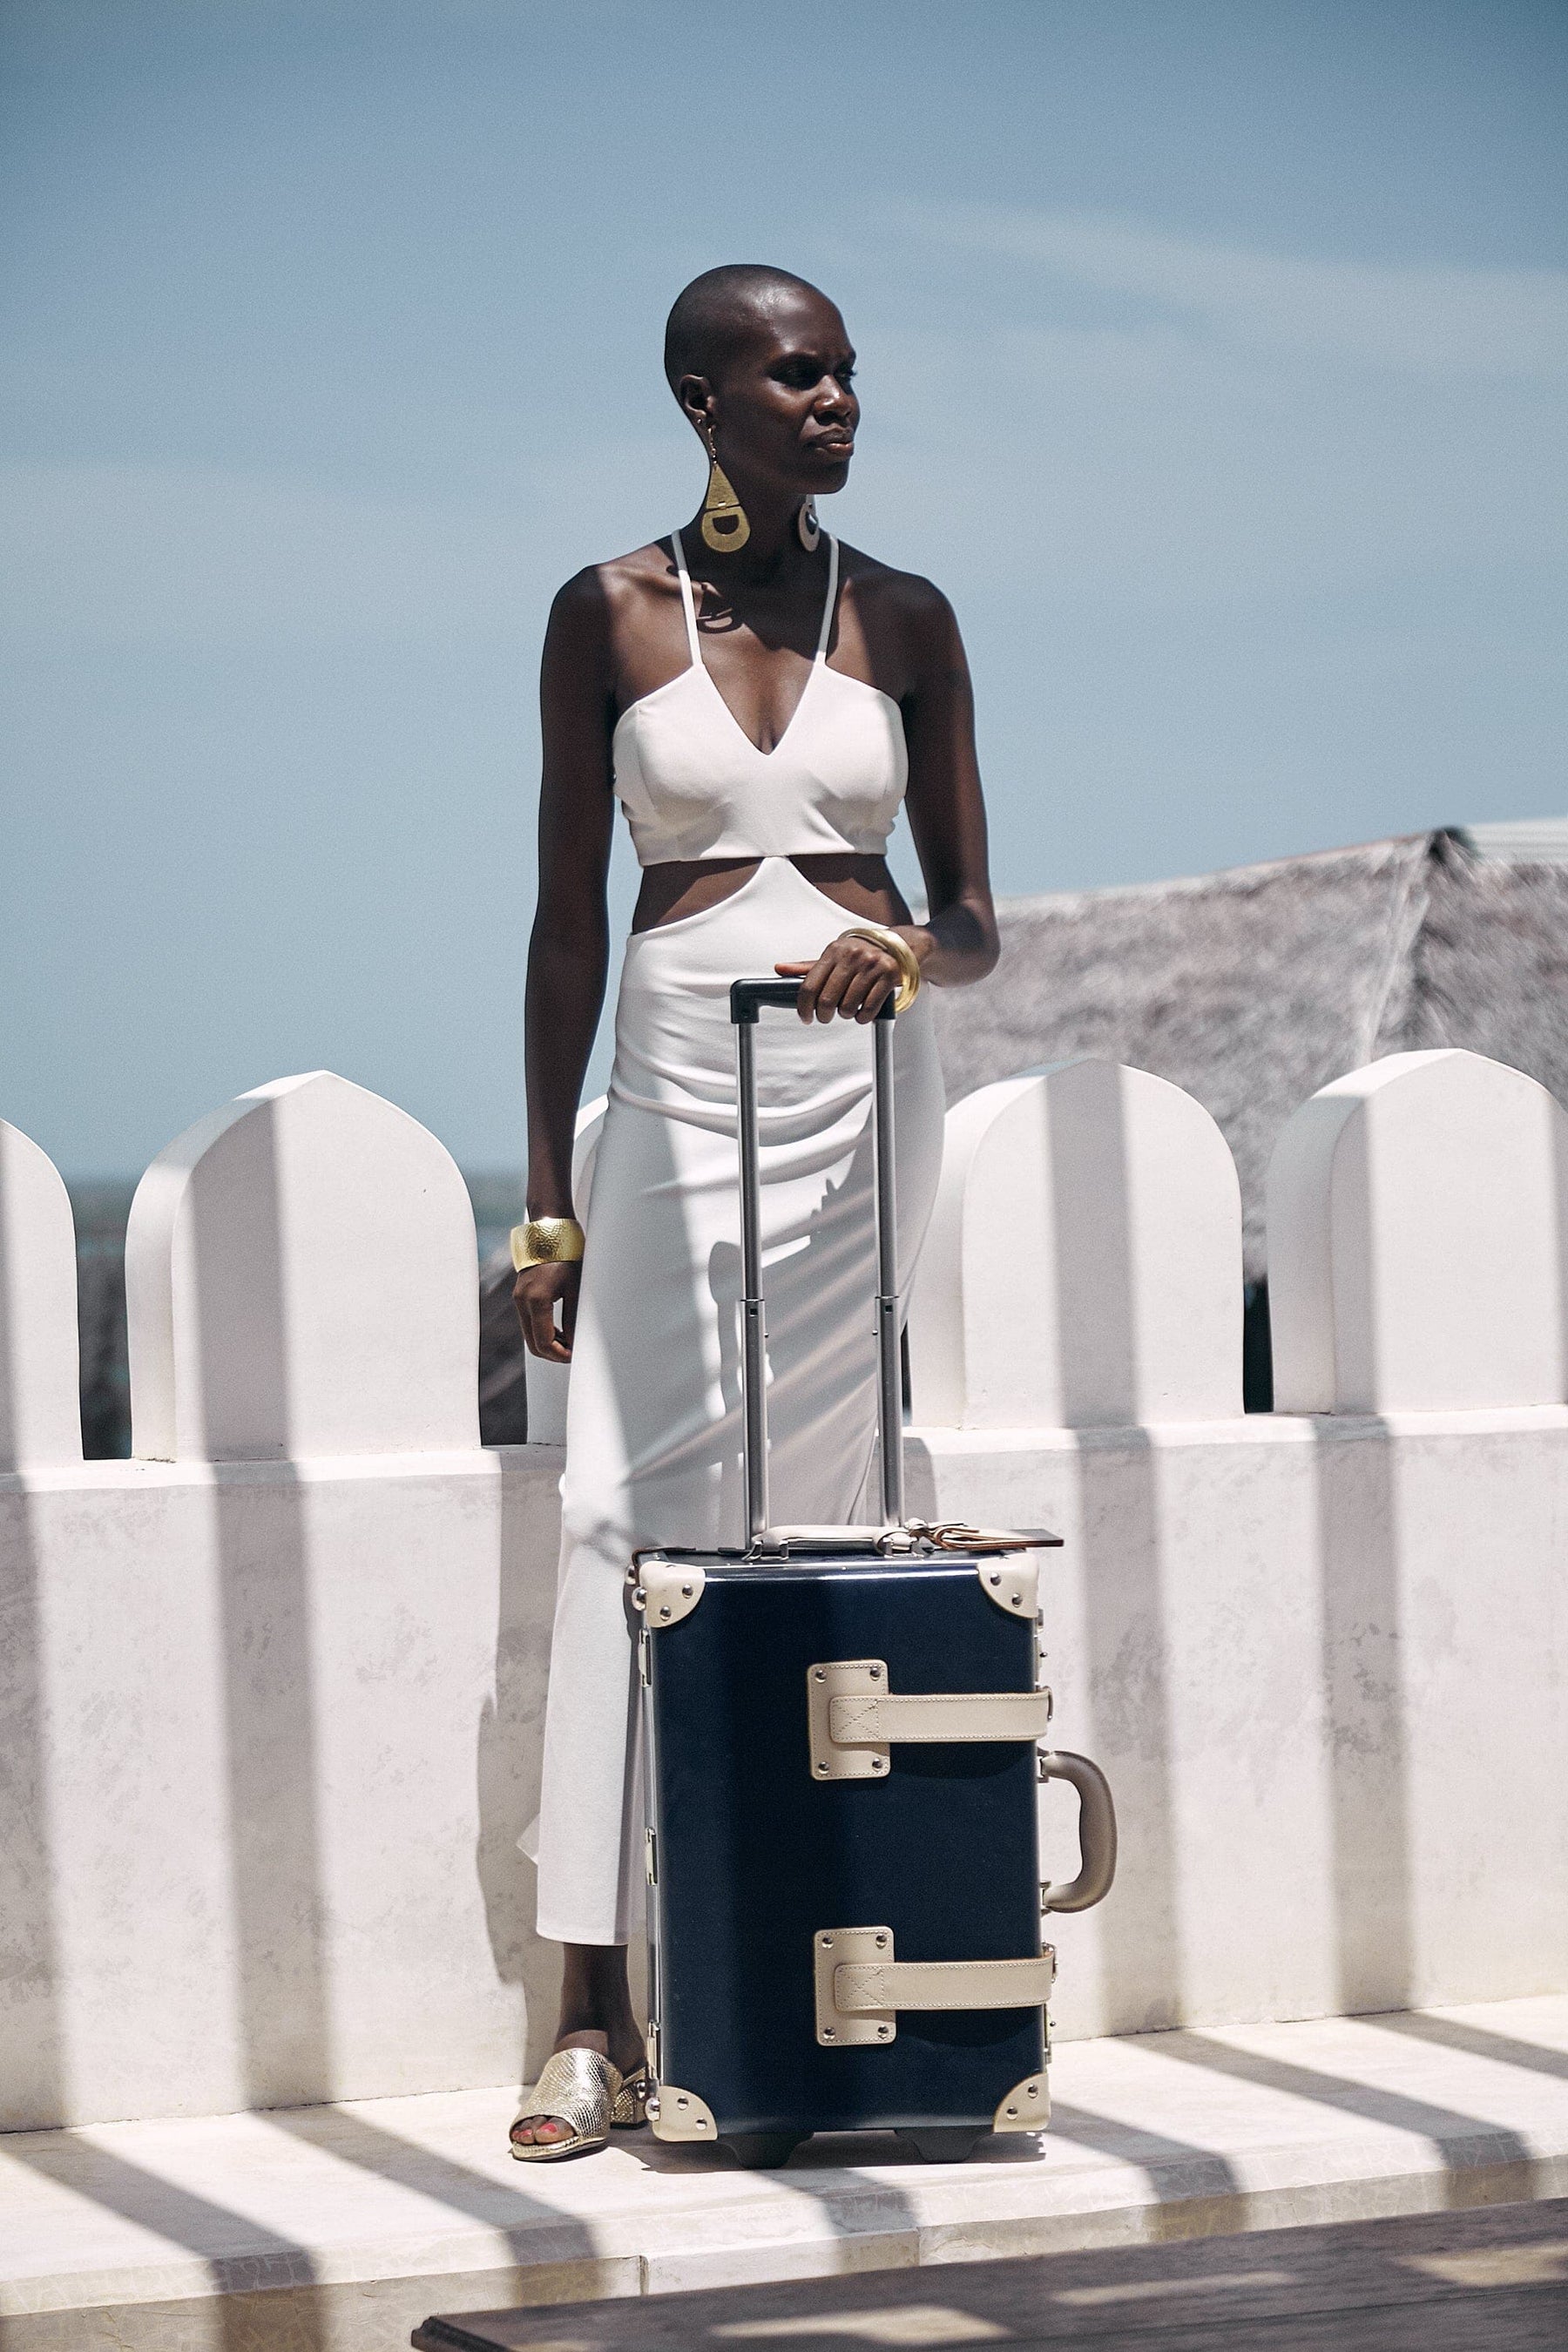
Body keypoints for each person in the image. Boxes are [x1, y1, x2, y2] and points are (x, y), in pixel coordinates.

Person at [509, 264, 999, 2158]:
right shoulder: (607, 613)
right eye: (800, 374)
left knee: (845, 1506)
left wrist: (908, 953)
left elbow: (972, 917)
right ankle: (586, 2012)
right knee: (626, 1511)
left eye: (852, 374)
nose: (838, 399)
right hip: (675, 1077)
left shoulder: (915, 615)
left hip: (866, 1094)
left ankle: (817, 1983)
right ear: (701, 400)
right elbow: (564, 919)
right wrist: (546, 1196)